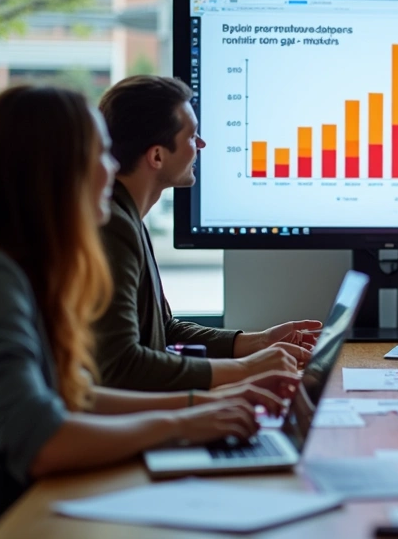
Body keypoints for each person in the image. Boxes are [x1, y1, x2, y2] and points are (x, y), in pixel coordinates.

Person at [0, 86, 294, 538]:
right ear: (58, 171)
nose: (113, 169)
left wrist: (204, 406)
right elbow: (39, 438)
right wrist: (184, 420)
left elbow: (74, 395)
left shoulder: (20, 268)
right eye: (101, 154)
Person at [93, 75, 322, 391]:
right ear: (157, 156)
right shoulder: (113, 226)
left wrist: (258, 342)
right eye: (191, 136)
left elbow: (164, 331)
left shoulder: (128, 216)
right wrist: (244, 369)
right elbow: (122, 366)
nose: (201, 144)